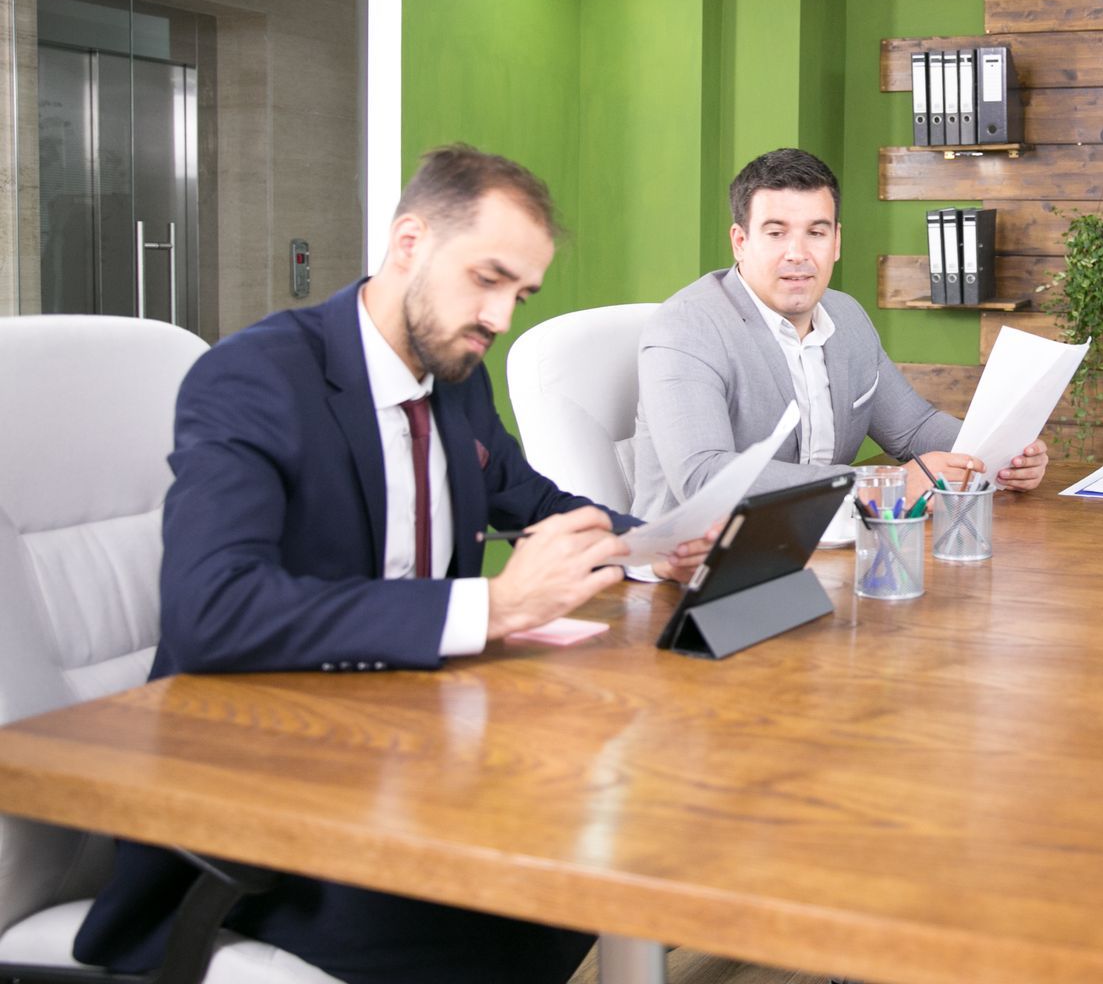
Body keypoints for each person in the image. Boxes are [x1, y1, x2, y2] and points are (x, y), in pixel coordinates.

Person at [75, 145, 716, 984]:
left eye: (519, 295)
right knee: (542, 900)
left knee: (609, 848)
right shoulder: (256, 378)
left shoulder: (454, 378)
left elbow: (529, 495)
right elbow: (210, 611)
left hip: (410, 758)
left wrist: (655, 545)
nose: (500, 317)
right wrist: (492, 607)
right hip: (255, 800)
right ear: (408, 242)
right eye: (487, 280)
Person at [630, 148, 1047, 519]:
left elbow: (914, 429)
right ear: (740, 242)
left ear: (836, 242)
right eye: (776, 233)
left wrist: (994, 456)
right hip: (691, 568)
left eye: (816, 232)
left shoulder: (844, 315)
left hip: (824, 547)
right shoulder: (686, 328)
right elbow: (704, 476)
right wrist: (880, 485)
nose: (798, 253)